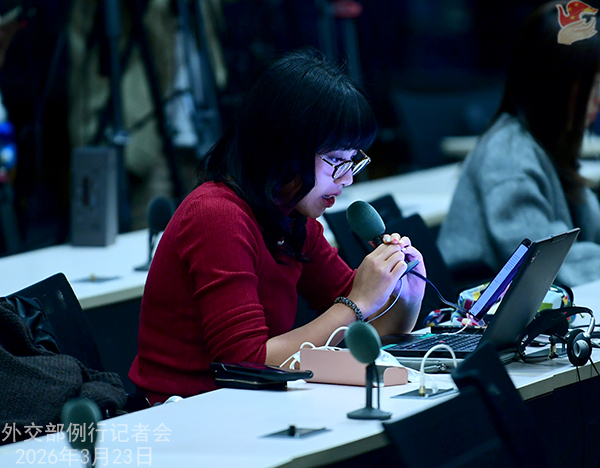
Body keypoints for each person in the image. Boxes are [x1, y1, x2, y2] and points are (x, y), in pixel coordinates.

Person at [129, 49, 426, 404]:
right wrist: (357, 302)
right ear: (284, 146)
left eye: (353, 161)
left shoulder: (291, 215)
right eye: (336, 160)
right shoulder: (217, 215)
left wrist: (407, 293)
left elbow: (364, 336)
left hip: (248, 404)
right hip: (184, 412)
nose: (346, 179)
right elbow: (246, 363)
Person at [437, 0, 600, 288]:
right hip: (481, 302)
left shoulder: (548, 143)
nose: (598, 98)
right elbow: (546, 261)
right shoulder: (509, 157)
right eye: (591, 85)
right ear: (554, 87)